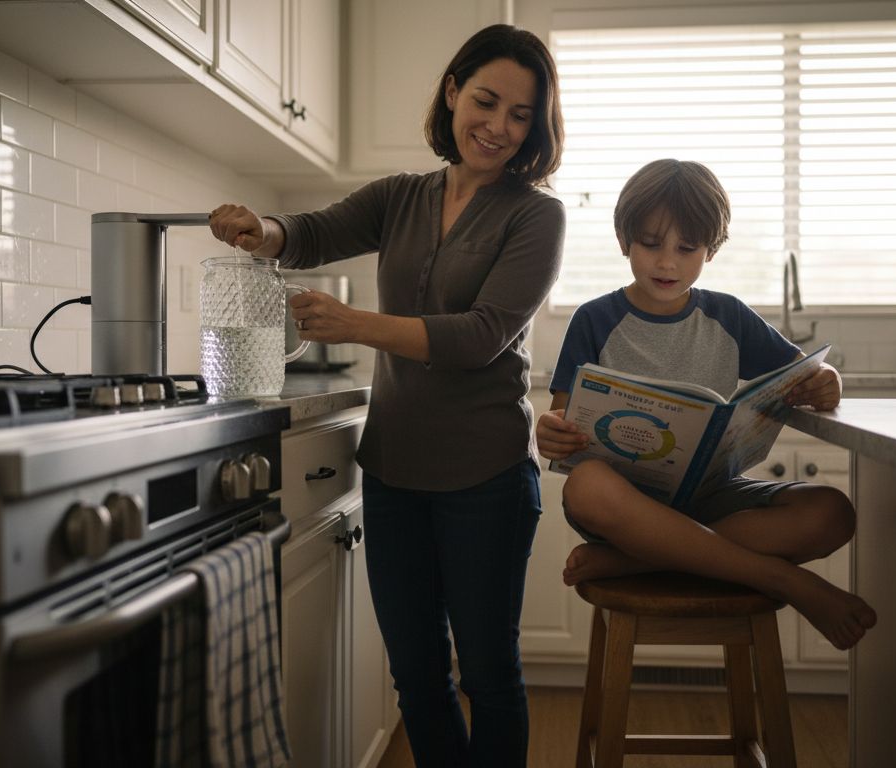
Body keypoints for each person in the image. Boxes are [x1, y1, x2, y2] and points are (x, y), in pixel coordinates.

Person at [208, 24, 565, 768]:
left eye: (520, 114)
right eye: (486, 101)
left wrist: (355, 324)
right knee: (418, 680)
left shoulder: (537, 215)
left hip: (488, 478)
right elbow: (313, 231)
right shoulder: (401, 196)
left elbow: (481, 336)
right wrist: (260, 229)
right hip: (395, 474)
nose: (498, 127)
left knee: (490, 677)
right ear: (452, 93)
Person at [536, 159, 877, 650]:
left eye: (686, 248)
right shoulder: (594, 319)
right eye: (651, 244)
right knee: (586, 485)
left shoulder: (729, 317)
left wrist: (829, 382)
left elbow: (809, 372)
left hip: (710, 495)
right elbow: (562, 419)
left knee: (833, 512)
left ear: (710, 250)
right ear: (624, 240)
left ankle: (636, 560)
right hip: (623, 506)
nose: (667, 263)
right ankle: (782, 578)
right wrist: (551, 433)